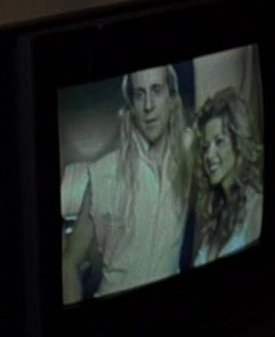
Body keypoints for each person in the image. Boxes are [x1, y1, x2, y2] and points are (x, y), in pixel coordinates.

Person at [62, 65, 193, 303]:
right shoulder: (104, 173)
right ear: (131, 106)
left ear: (172, 99)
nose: (148, 105)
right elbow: (69, 264)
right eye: (140, 94)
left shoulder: (187, 157)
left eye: (156, 90)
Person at [192, 86, 263, 266]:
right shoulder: (215, 216)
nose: (209, 155)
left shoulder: (257, 209)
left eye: (219, 141)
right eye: (206, 147)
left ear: (239, 143)